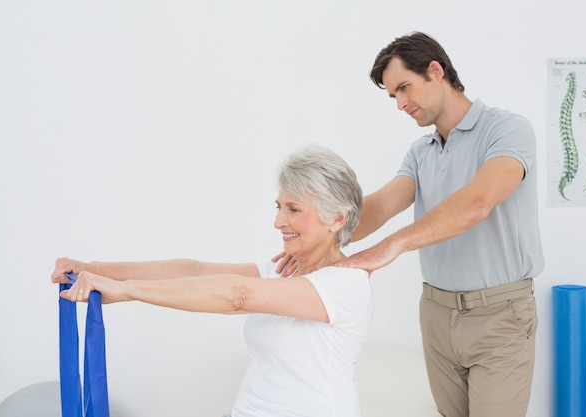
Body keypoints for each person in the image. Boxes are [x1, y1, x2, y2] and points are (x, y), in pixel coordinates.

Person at [276, 32, 544, 417]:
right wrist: (312, 239)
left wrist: (391, 246)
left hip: (500, 316)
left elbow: (477, 203)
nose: (401, 104)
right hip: (436, 313)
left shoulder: (507, 131)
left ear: (436, 71)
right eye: (393, 96)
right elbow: (380, 207)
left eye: (405, 88)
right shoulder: (421, 153)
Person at [51, 145, 374, 417]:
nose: (278, 221)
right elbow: (192, 270)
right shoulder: (282, 269)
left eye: (293, 209)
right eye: (278, 206)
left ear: (337, 218)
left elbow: (237, 296)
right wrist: (91, 268)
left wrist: (126, 290)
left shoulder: (346, 284)